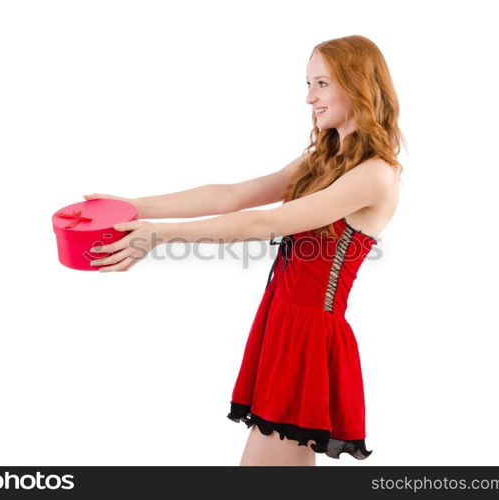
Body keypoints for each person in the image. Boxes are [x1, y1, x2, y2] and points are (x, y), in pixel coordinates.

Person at [84, 34, 404, 466]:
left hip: (309, 336)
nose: (310, 97)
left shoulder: (375, 175)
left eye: (322, 84)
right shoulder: (325, 159)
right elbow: (232, 196)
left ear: (358, 84)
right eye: (308, 84)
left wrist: (158, 235)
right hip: (281, 321)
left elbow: (264, 222)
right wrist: (131, 207)